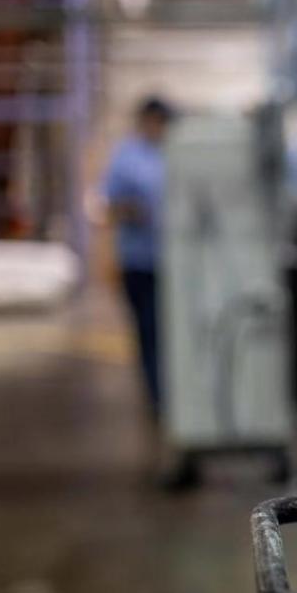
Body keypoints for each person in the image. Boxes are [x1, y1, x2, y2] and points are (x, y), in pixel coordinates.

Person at [103, 96, 173, 421]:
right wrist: (136, 212)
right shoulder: (126, 158)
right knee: (148, 331)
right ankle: (157, 399)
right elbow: (110, 206)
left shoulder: (174, 154)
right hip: (140, 262)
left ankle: (174, 396)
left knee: (171, 333)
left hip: (172, 263)